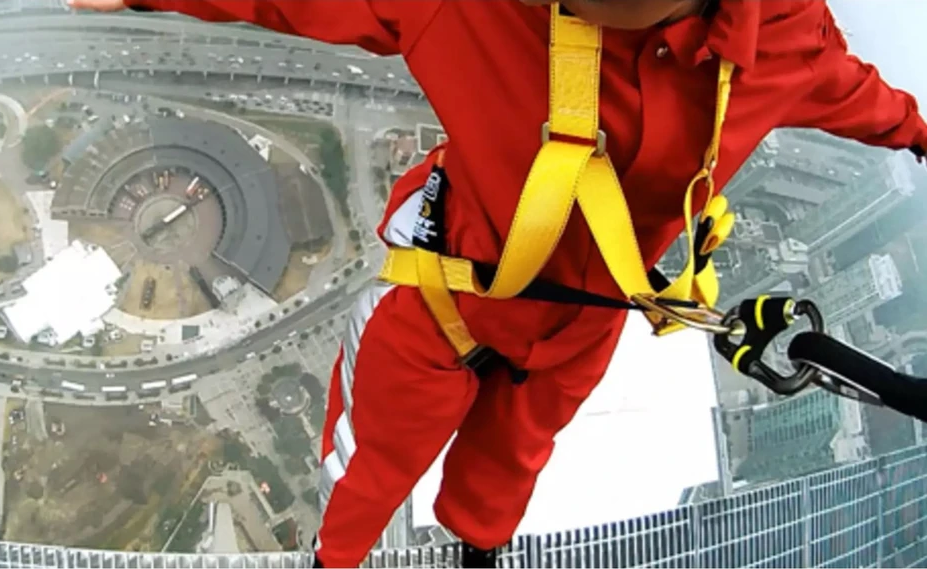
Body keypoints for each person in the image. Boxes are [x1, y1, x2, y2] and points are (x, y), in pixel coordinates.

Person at [71, 0, 927, 566]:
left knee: (506, 467)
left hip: (579, 327)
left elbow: (864, 99)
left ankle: (472, 549)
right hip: (446, 290)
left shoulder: (780, 43)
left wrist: (920, 133)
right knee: (375, 460)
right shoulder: (474, 8)